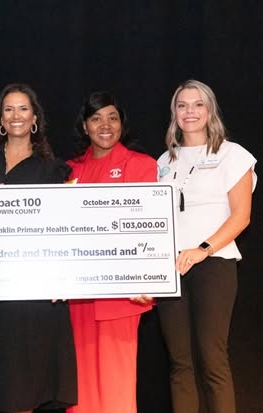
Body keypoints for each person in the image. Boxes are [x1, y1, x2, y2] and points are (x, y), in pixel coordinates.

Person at [0, 83, 77, 413]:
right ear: (0, 117)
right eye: (8, 109)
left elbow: (64, 229)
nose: (16, 116)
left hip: (30, 293)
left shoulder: (54, 169)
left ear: (35, 116)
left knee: (21, 389)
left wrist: (61, 277)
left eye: (23, 108)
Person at [157, 79, 257, 413]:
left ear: (210, 109)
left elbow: (241, 216)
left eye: (198, 104)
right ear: (174, 112)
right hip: (171, 271)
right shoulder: (162, 162)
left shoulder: (232, 154)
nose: (190, 112)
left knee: (213, 361)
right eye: (183, 105)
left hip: (213, 264)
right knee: (179, 364)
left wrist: (201, 250)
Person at [66, 90, 157, 413]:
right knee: (79, 388)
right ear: (85, 126)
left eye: (113, 117)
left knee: (116, 386)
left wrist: (148, 277)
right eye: (96, 118)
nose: (105, 125)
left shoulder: (142, 165)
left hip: (122, 294)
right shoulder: (69, 170)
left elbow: (152, 227)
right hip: (77, 296)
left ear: (122, 124)